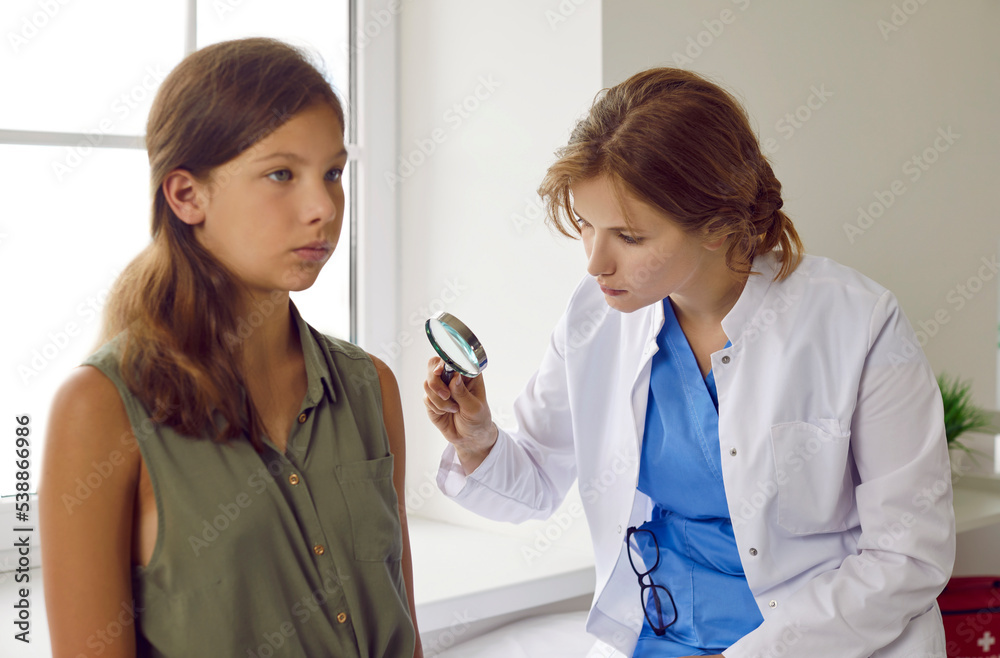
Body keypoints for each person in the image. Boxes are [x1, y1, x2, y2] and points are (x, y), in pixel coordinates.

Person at [423, 67, 955, 657]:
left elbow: (907, 557)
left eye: (629, 237)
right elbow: (540, 480)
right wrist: (478, 440)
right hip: (658, 636)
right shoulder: (596, 316)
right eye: (586, 226)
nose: (595, 263)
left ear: (719, 225)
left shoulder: (858, 322)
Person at [39, 38, 421, 657]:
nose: (323, 207)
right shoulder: (99, 409)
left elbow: (403, 621)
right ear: (186, 195)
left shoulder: (370, 386)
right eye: (281, 174)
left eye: (332, 173)